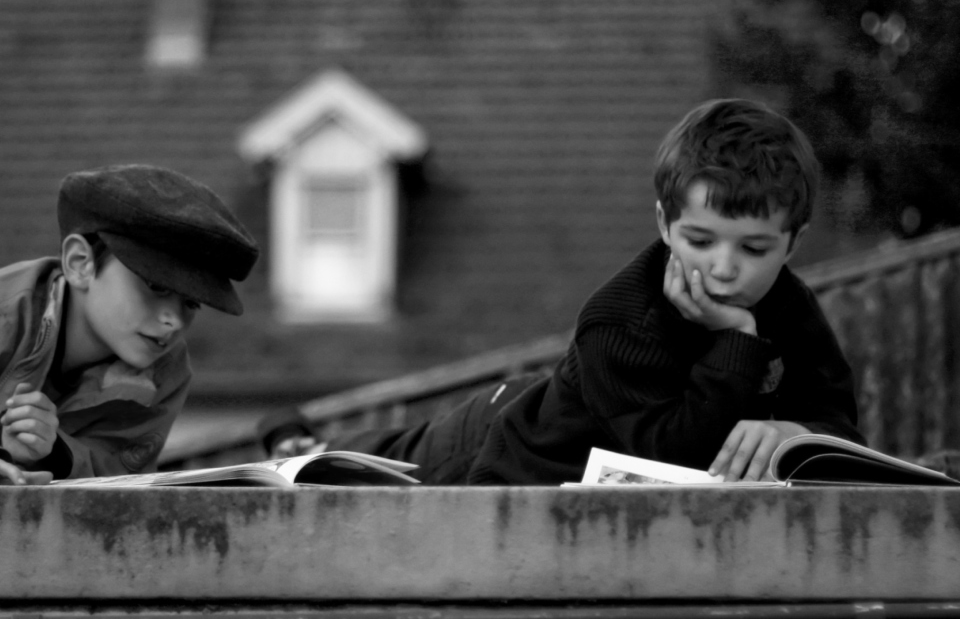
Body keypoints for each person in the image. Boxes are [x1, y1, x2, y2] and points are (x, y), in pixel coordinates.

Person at [259, 98, 864, 485]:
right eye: (700, 241)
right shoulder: (618, 319)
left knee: (386, 449)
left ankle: (307, 442)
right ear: (663, 225)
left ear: (793, 243)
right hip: (499, 447)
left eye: (754, 249)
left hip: (558, 415)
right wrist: (736, 340)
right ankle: (299, 445)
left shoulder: (791, 305)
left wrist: (793, 434)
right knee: (366, 465)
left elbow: (842, 429)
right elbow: (671, 458)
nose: (725, 268)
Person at [0, 164, 258, 484]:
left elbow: (119, 483)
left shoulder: (166, 373)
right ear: (80, 264)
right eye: (155, 286)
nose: (174, 320)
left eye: (192, 303)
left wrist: (54, 453)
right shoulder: (6, 312)